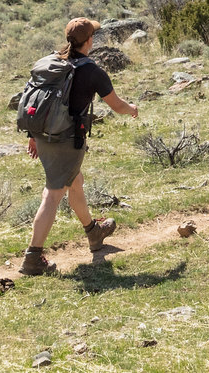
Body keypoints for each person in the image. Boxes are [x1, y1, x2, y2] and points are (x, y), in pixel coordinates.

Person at [19, 17, 139, 276]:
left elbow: (37, 100)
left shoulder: (53, 63)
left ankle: (93, 233)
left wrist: (33, 134)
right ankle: (33, 258)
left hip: (44, 135)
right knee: (52, 195)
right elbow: (117, 106)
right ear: (90, 41)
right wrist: (132, 110)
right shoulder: (92, 71)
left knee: (75, 181)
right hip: (66, 140)